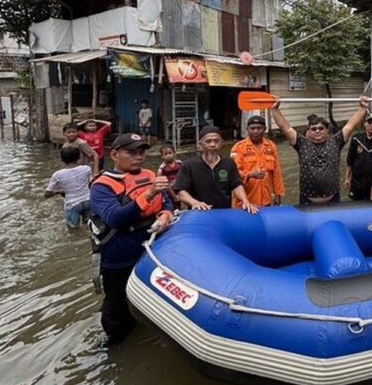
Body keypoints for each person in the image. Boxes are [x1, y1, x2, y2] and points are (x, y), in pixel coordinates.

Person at [89, 133, 174, 344]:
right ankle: (113, 342)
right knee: (117, 304)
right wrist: (148, 194)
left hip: (150, 249)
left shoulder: (149, 174)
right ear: (115, 154)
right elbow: (115, 218)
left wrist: (165, 215)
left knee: (149, 296)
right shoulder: (102, 185)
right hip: (119, 255)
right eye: (132, 152)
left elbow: (168, 203)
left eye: (141, 152)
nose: (138, 157)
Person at [271, 97, 370, 204]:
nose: (317, 131)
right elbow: (286, 128)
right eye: (313, 129)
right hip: (306, 200)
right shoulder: (302, 143)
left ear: (327, 130)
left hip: (333, 199)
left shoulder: (336, 141)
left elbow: (351, 125)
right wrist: (275, 110)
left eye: (321, 128)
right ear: (308, 131)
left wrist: (362, 108)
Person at [173, 125, 258, 213]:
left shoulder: (228, 163)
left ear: (221, 143)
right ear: (201, 144)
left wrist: (245, 201)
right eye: (208, 141)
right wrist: (195, 203)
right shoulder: (188, 165)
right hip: (199, 213)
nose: (212, 145)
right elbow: (181, 191)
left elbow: (236, 185)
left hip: (224, 213)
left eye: (216, 141)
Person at [230, 115, 284, 207]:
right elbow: (233, 174)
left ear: (265, 129)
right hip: (244, 201)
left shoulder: (271, 146)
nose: (255, 131)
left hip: (266, 200)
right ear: (247, 129)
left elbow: (276, 173)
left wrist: (278, 194)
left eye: (259, 128)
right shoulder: (238, 147)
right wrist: (250, 174)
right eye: (252, 128)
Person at [44, 146, 92, 229]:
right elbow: (91, 184)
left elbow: (47, 194)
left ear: (61, 159)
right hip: (88, 201)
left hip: (72, 204)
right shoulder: (86, 169)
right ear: (79, 157)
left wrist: (58, 191)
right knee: (89, 226)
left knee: (73, 230)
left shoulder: (57, 174)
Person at [345, 112, 372, 200]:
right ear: (364, 123)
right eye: (369, 122)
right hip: (357, 182)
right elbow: (350, 159)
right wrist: (347, 178)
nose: (371, 125)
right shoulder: (356, 139)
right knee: (357, 207)